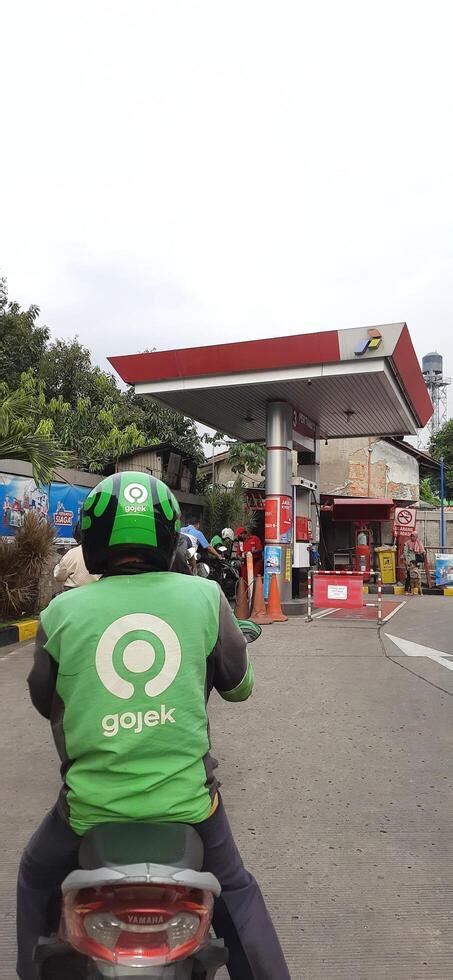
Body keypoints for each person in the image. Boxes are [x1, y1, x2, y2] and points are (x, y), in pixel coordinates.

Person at [17, 471, 290, 980]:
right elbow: (239, 687)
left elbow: (43, 700)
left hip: (89, 809)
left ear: (92, 538)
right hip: (190, 805)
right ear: (169, 538)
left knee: (35, 875)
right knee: (236, 889)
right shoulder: (206, 598)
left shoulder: (59, 613)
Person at [53, 523, 100, 590]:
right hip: (97, 593)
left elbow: (58, 576)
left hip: (73, 593)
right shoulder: (102, 553)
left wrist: (59, 563)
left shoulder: (71, 553)